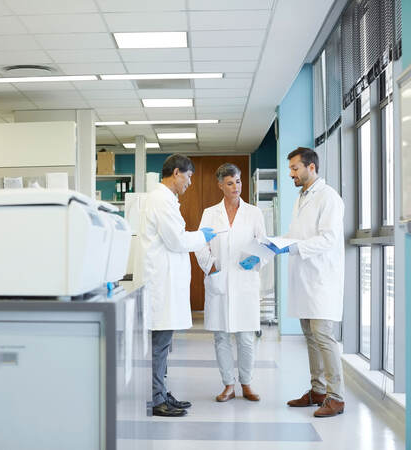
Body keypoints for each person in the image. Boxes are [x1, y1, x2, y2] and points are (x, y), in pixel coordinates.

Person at [265, 147, 345, 418]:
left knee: (323, 336)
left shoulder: (328, 197)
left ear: (311, 167)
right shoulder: (302, 197)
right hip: (305, 279)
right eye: (291, 169)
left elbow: (328, 239)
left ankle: (336, 397)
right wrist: (277, 243)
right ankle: (318, 391)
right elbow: (297, 233)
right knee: (311, 337)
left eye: (295, 168)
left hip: (322, 279)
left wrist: (293, 248)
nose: (291, 174)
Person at [140, 154, 216, 417]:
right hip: (162, 283)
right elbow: (176, 240)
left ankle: (161, 393)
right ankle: (156, 398)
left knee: (164, 344)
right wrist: (201, 237)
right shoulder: (160, 199)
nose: (190, 182)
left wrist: (195, 237)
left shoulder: (165, 199)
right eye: (189, 176)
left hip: (167, 282)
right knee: (160, 345)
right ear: (176, 173)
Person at [196, 163, 266, 403]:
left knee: (247, 337)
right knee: (222, 337)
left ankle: (246, 383)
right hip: (220, 281)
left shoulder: (254, 212)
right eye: (230, 183)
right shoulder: (210, 213)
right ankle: (228, 385)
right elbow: (200, 245)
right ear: (220, 186)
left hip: (245, 281)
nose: (235, 187)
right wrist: (211, 266)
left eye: (237, 182)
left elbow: (263, 243)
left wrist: (257, 257)